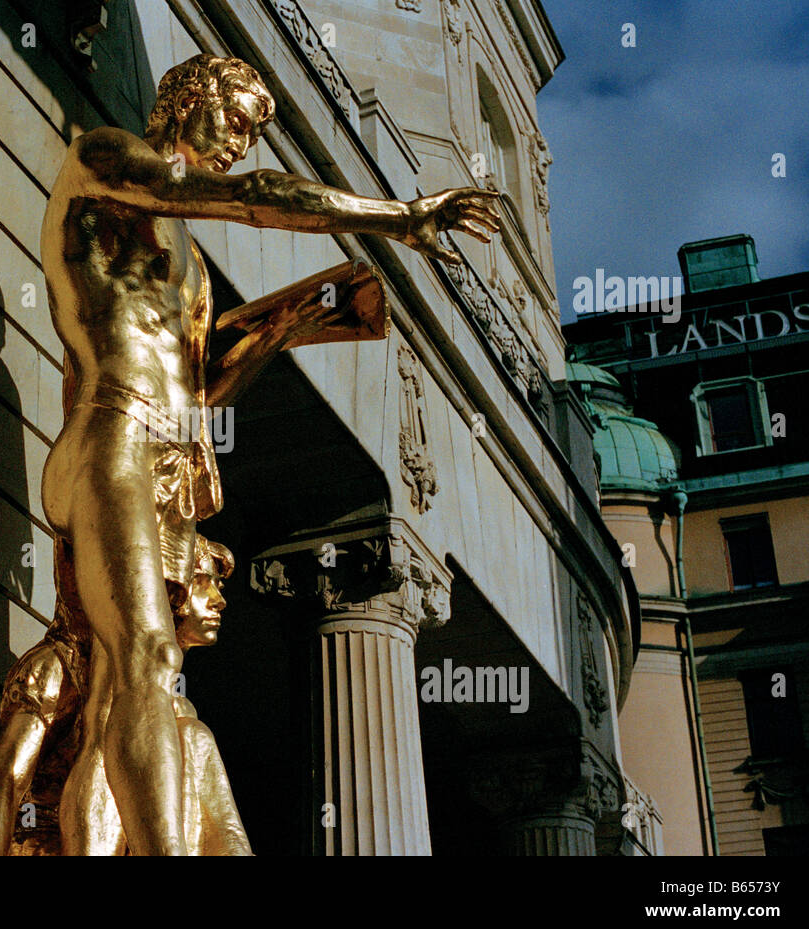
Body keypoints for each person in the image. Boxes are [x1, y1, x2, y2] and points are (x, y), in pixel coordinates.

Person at [40, 52, 501, 855]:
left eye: (255, 133)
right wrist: (397, 218)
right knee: (144, 654)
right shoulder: (105, 158)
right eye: (235, 120)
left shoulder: (183, 263)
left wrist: (298, 315)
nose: (241, 145)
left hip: (167, 454)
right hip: (112, 433)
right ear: (186, 99)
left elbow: (202, 375)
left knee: (126, 687)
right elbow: (249, 200)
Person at [0, 535, 249, 855]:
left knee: (190, 734)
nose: (218, 600)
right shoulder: (59, 668)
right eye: (203, 583)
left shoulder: (174, 706)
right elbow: (0, 786)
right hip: (48, 843)